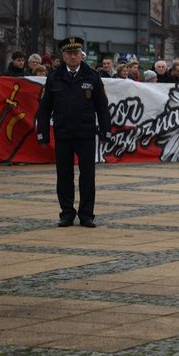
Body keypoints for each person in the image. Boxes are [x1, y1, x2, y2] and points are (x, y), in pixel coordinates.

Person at [36, 37, 112, 229]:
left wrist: (106, 130)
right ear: (63, 56)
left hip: (86, 133)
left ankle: (86, 215)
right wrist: (42, 134)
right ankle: (67, 214)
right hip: (63, 133)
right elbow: (44, 109)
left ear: (81, 55)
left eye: (76, 53)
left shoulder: (92, 76)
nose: (73, 56)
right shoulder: (54, 77)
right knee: (64, 175)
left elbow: (102, 106)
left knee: (88, 175)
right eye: (69, 53)